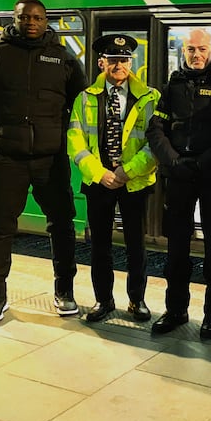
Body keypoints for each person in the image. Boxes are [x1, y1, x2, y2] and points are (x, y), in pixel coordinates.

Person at [0, 0, 87, 325]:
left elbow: (81, 103)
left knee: (61, 226)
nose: (31, 22)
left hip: (51, 160)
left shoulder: (63, 59)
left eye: (38, 17)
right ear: (15, 20)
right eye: (25, 17)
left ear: (46, 21)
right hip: (7, 159)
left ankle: (64, 292)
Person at [147, 29, 211, 338]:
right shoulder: (172, 86)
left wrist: (203, 162)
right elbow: (156, 129)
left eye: (202, 49)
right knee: (176, 248)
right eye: (191, 49)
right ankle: (176, 309)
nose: (196, 54)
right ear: (183, 50)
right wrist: (173, 161)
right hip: (178, 176)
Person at [67, 34, 160, 323]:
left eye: (125, 59)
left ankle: (137, 300)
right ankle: (103, 300)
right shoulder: (84, 98)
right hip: (100, 183)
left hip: (134, 181)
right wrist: (100, 173)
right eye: (114, 59)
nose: (120, 65)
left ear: (131, 62)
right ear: (101, 62)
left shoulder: (150, 97)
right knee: (100, 246)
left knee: (136, 245)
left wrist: (126, 171)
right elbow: (75, 141)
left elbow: (156, 143)